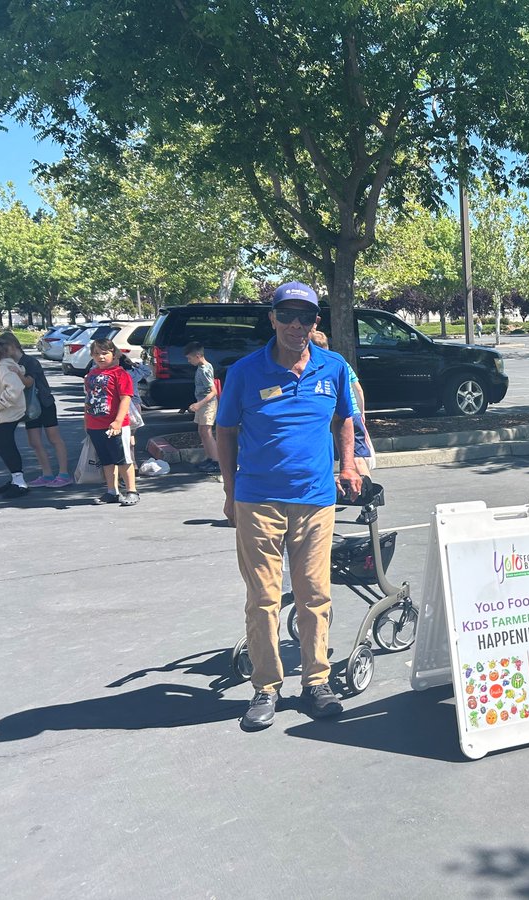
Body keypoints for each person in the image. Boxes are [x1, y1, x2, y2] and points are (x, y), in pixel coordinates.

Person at [215, 281, 361, 731]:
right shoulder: (244, 371)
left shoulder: (332, 366)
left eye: (306, 317)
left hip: (315, 500)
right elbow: (226, 432)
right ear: (273, 318)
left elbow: (346, 419)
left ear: (316, 322)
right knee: (262, 598)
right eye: (288, 315)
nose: (297, 325)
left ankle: (316, 681)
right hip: (257, 500)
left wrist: (349, 466)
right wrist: (230, 490)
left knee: (315, 594)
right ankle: (265, 688)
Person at [0, 332, 70, 486]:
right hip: (30, 408)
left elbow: (29, 382)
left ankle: (64, 474)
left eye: (2, 347)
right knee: (35, 442)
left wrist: (18, 373)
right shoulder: (10, 362)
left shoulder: (29, 361)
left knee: (54, 438)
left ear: (11, 346)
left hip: (44, 403)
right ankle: (47, 474)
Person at [83, 338, 138, 507]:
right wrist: (86, 423)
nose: (100, 357)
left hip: (115, 425)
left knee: (122, 459)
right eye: (97, 353)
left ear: (114, 354)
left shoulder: (120, 374)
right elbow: (88, 400)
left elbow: (125, 399)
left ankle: (131, 491)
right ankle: (111, 491)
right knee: (106, 460)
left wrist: (118, 422)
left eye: (105, 353)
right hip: (95, 424)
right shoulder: (91, 375)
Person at [311, 329, 371, 480]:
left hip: (332, 415)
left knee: (329, 454)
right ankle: (367, 492)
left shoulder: (315, 366)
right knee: (357, 456)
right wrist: (362, 412)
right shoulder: (341, 363)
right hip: (354, 412)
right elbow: (359, 390)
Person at [0, 339, 29, 498]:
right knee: (3, 445)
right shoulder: (4, 366)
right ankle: (16, 479)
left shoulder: (3, 368)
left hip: (7, 414)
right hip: (5, 414)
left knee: (5, 445)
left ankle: (19, 481)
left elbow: (14, 390)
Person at [184, 342, 220, 474]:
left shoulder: (205, 370)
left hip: (206, 404)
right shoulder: (202, 367)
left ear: (198, 356)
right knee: (202, 431)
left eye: (190, 358)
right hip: (202, 403)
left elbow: (213, 391)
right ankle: (209, 458)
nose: (189, 361)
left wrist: (199, 404)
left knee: (207, 432)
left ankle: (216, 461)